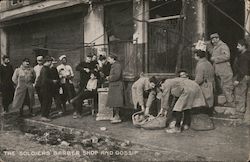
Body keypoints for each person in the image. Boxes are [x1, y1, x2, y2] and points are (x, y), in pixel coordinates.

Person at [207, 33, 234, 107]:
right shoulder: (216, 47)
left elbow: (227, 56)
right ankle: (228, 102)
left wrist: (215, 59)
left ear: (218, 38)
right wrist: (207, 45)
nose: (212, 41)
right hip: (219, 71)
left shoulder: (223, 46)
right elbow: (212, 52)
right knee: (222, 87)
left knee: (227, 86)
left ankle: (231, 103)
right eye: (211, 40)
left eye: (214, 39)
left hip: (225, 70)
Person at [232, 39, 250, 119]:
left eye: (239, 45)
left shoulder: (244, 56)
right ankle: (240, 112)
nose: (237, 47)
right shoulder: (245, 54)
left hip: (242, 78)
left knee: (240, 95)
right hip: (244, 76)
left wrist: (237, 80)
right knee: (242, 94)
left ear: (243, 46)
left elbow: (244, 70)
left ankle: (239, 113)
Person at [194, 50, 215, 115]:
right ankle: (209, 112)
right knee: (209, 100)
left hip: (205, 85)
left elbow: (199, 79)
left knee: (205, 100)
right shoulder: (208, 63)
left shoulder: (200, 65)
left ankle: (206, 114)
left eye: (195, 55)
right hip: (210, 83)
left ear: (198, 56)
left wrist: (193, 84)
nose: (194, 57)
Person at [106, 54, 124, 124]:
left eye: (109, 59)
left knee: (116, 102)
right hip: (114, 86)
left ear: (113, 59)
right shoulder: (115, 65)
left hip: (117, 86)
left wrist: (109, 78)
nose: (108, 60)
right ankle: (116, 116)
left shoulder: (117, 65)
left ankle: (117, 117)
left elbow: (117, 76)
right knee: (114, 102)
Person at [38, 56, 55, 122]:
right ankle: (44, 116)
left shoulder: (46, 68)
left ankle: (46, 115)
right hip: (45, 88)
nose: (51, 63)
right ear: (47, 62)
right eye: (50, 62)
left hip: (47, 88)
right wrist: (52, 81)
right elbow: (45, 79)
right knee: (46, 102)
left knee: (48, 101)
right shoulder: (45, 69)